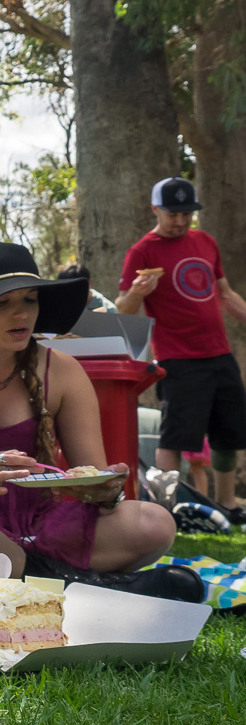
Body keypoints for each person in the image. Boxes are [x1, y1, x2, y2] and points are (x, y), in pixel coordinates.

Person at [0, 241, 202, 600]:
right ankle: (78, 585)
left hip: (40, 528)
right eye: (3, 303)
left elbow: (88, 473)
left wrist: (105, 491)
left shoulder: (62, 371)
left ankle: (28, 579)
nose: (22, 314)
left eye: (29, 300)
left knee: (155, 524)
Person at [117, 177, 246, 526]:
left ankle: (227, 506)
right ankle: (166, 510)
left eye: (187, 213)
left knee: (228, 433)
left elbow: (226, 293)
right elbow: (123, 309)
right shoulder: (142, 251)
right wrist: (139, 292)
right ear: (156, 209)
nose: (181, 220)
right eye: (173, 213)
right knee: (175, 436)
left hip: (219, 353)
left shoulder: (205, 241)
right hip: (178, 358)